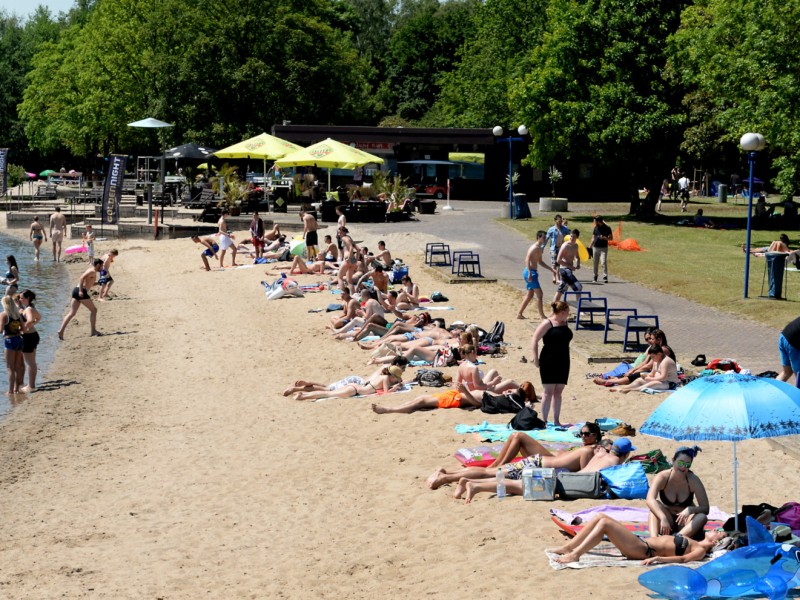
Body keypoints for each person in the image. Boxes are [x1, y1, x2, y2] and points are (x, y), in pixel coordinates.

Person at [427, 419, 602, 490]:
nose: (583, 437)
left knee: (493, 469)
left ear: (595, 436)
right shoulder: (586, 449)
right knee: (493, 470)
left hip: (540, 463)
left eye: (586, 434)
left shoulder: (588, 450)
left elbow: (582, 473)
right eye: (582, 434)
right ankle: (446, 477)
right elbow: (583, 473)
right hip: (540, 462)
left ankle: (447, 475)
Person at [451, 438, 634, 503]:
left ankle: (474, 484)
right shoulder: (616, 463)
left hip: (562, 475)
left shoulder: (599, 454)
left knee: (518, 484)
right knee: (520, 486)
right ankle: (472, 484)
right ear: (624, 454)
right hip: (568, 483)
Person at [548, 514, 725, 565]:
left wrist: (658, 558)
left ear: (716, 542)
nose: (715, 529)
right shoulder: (694, 540)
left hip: (642, 550)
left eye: (718, 531)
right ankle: (568, 547)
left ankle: (576, 554)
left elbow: (683, 559)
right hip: (641, 542)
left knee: (604, 524)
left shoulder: (700, 550)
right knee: (600, 517)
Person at [647, 446, 709, 541]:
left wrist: (690, 509)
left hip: (684, 524)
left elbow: (705, 508)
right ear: (673, 460)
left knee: (702, 517)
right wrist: (663, 517)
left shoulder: (693, 480)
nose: (683, 467)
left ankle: (676, 539)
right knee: (654, 508)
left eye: (687, 465)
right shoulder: (663, 477)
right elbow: (650, 499)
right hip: (667, 521)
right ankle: (654, 541)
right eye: (680, 463)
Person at [532, 301, 572, 426]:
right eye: (567, 312)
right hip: (549, 359)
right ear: (562, 312)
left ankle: (556, 420)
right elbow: (535, 339)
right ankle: (543, 420)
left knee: (558, 391)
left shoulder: (565, 322)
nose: (568, 315)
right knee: (548, 392)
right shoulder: (547, 323)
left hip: (563, 359)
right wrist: (536, 359)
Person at [292, 365, 405, 401]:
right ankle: (302, 396)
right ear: (392, 376)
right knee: (327, 394)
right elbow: (385, 393)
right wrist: (395, 389)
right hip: (354, 390)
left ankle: (303, 394)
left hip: (355, 387)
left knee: (327, 392)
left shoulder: (381, 376)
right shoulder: (385, 379)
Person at [57, 259, 103, 340]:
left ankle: (61, 331)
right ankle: (93, 331)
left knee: (72, 313)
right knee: (94, 310)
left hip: (76, 291)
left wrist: (98, 283)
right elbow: (81, 278)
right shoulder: (92, 271)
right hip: (80, 292)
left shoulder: (92, 271)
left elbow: (89, 283)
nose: (102, 268)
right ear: (98, 265)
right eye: (101, 266)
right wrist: (81, 291)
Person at [517, 230, 555, 320]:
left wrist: (551, 269)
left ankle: (519, 314)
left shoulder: (540, 248)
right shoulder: (534, 247)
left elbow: (540, 261)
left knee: (530, 295)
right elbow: (527, 260)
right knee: (540, 294)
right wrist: (530, 272)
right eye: (543, 237)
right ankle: (542, 316)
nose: (545, 239)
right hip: (530, 272)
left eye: (545, 238)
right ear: (538, 237)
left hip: (532, 272)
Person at [610, 344, 679, 393]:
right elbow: (652, 373)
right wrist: (647, 376)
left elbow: (663, 377)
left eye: (653, 357)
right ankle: (624, 388)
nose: (652, 359)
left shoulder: (665, 361)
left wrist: (650, 379)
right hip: (659, 381)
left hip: (669, 383)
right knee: (639, 380)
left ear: (659, 354)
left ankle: (631, 390)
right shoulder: (656, 360)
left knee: (650, 384)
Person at [1, 294, 24, 395]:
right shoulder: (18, 314)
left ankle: (10, 390)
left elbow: (1, 330)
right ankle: (17, 388)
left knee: (10, 367)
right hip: (19, 339)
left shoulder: (4, 315)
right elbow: (22, 329)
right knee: (17, 366)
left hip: (9, 340)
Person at [19, 289, 41, 393]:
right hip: (34, 335)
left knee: (30, 362)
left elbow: (31, 320)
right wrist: (30, 326)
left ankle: (31, 386)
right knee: (32, 361)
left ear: (28, 298)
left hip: (28, 337)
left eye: (22, 298)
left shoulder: (28, 309)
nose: (20, 299)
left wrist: (22, 330)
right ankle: (31, 384)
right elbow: (39, 318)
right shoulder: (31, 308)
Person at [553, 229, 582, 303]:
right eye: (571, 236)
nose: (572, 238)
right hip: (564, 270)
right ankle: (580, 309)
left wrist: (578, 264)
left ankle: (554, 306)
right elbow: (558, 260)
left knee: (562, 289)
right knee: (578, 287)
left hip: (569, 270)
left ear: (577, 238)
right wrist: (570, 266)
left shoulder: (575, 246)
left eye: (574, 237)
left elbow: (577, 257)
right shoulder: (565, 245)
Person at [544, 215, 570, 284]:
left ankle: (558, 278)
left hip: (561, 248)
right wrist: (541, 248)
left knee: (559, 263)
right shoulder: (551, 229)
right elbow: (546, 239)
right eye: (559, 221)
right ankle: (554, 277)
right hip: (553, 248)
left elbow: (570, 235)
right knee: (553, 263)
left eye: (561, 221)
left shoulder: (564, 229)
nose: (560, 223)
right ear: (555, 221)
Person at [778, 316, 800, 387]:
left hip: (784, 336)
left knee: (786, 372)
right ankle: (797, 397)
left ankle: (770, 393)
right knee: (799, 378)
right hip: (794, 343)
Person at [590, 216, 613, 283]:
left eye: (595, 221)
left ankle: (605, 276)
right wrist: (589, 247)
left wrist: (604, 238)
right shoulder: (596, 228)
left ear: (599, 221)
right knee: (595, 263)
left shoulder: (607, 228)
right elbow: (593, 238)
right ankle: (595, 276)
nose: (594, 222)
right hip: (595, 247)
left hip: (603, 248)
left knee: (603, 262)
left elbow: (611, 238)